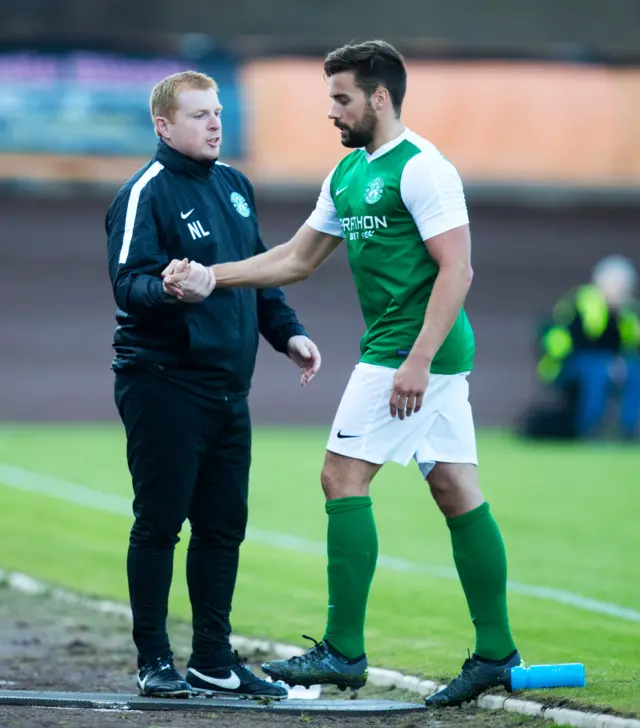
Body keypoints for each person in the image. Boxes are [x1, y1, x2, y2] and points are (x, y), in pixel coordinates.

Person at [162, 42, 522, 708]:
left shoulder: (423, 170)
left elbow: (458, 270)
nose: (332, 111)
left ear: (379, 98)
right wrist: (215, 277)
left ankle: (343, 649)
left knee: (341, 474)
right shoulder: (350, 172)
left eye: (342, 98)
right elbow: (297, 259)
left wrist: (415, 361)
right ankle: (497, 654)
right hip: (421, 354)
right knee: (454, 488)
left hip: (406, 354)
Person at [106, 70, 320, 700]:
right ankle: (153, 660)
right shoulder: (145, 192)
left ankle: (211, 658)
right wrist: (170, 290)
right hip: (162, 383)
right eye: (200, 115)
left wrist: (287, 334)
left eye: (218, 112)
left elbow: (260, 275)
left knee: (224, 526)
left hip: (230, 391)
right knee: (160, 523)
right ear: (164, 126)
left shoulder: (234, 186)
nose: (215, 124)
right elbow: (127, 285)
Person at [525, 255, 640, 440]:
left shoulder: (628, 312)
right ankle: (589, 429)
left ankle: (628, 430)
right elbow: (569, 342)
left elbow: (630, 345)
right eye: (618, 285)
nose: (623, 291)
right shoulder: (582, 303)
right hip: (569, 365)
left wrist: (620, 363)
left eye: (626, 286)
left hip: (612, 365)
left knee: (635, 370)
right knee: (598, 370)